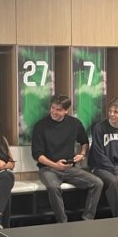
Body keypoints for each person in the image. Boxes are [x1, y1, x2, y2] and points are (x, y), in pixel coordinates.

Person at [31, 94, 103, 223]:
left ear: (66, 111)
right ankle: (62, 222)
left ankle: (88, 219)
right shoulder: (40, 126)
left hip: (69, 168)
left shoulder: (74, 123)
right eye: (52, 108)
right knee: (53, 188)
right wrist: (55, 165)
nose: (54, 112)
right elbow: (37, 155)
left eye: (58, 109)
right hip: (48, 169)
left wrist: (82, 154)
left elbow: (84, 141)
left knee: (97, 183)